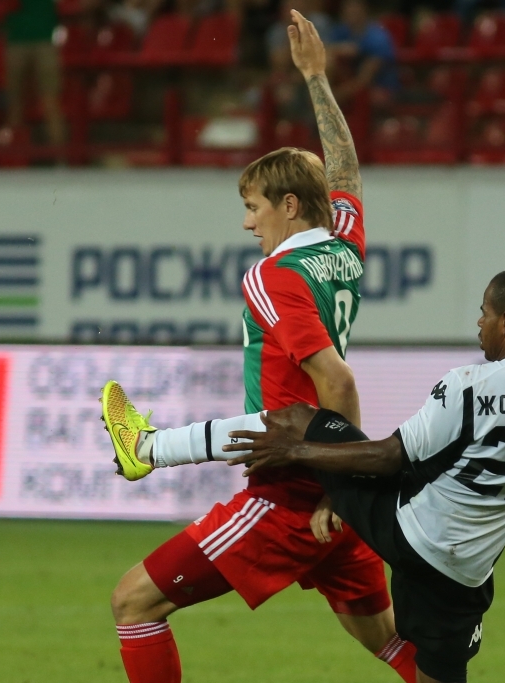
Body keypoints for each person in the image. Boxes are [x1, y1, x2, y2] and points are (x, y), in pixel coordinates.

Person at [114, 235, 505, 682]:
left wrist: (300, 452)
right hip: (465, 573)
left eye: (483, 313)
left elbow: (390, 457)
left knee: (295, 416)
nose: (478, 323)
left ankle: (149, 448)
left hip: (406, 528)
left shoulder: (471, 385)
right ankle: (175, 454)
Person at [102, 10, 418, 683]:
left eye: (254, 207)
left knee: (133, 602)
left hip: (293, 491)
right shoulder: (345, 248)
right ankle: (148, 447)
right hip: (327, 489)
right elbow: (347, 175)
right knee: (390, 641)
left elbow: (336, 381)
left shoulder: (273, 275)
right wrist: (317, 79)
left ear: (290, 206)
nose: (248, 223)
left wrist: (339, 481)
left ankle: (147, 449)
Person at [2, 0, 65, 152]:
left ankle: (60, 156)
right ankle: (15, 157)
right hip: (17, 39)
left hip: (44, 39)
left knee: (50, 101)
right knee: (14, 103)